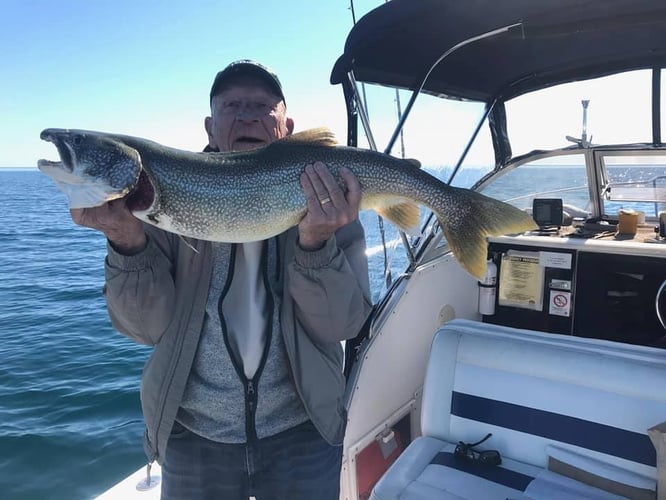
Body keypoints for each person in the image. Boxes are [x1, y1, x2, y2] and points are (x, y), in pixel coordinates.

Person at [70, 59, 372, 499]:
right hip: (195, 436)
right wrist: (125, 239)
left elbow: (343, 326)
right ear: (210, 127)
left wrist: (316, 244)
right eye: (232, 104)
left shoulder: (334, 206)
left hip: (304, 429)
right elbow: (145, 330)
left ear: (287, 125)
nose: (247, 114)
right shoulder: (160, 204)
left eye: (262, 105)